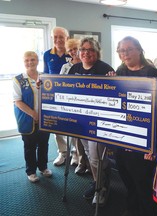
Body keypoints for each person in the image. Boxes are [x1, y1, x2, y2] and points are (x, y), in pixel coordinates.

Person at [110, 36, 157, 216]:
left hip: (143, 136)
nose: (125, 54)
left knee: (142, 179)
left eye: (129, 49)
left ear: (139, 50)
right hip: (122, 133)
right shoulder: (120, 70)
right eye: (121, 50)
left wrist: (154, 141)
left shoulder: (152, 73)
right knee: (124, 172)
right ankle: (132, 206)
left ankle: (146, 211)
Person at [68, 37, 114, 206]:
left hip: (98, 122)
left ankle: (101, 187)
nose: (86, 53)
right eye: (83, 49)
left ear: (96, 52)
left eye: (90, 50)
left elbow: (114, 94)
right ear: (79, 52)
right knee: (88, 153)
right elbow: (66, 89)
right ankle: (98, 182)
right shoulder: (74, 68)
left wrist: (114, 81)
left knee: (96, 158)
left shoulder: (105, 68)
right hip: (81, 120)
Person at [13, 51, 52, 183]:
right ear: (23, 62)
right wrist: (34, 114)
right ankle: (31, 171)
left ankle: (43, 167)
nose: (30, 62)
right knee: (29, 146)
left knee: (43, 144)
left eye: (33, 59)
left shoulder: (46, 77)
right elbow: (17, 101)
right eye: (27, 60)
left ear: (37, 61)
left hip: (45, 118)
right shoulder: (18, 79)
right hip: (27, 119)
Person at [59, 38, 91, 175]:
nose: (73, 52)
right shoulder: (66, 67)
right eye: (70, 50)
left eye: (75, 49)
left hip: (87, 105)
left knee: (87, 136)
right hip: (72, 104)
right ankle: (80, 161)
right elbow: (60, 84)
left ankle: (90, 163)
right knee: (77, 136)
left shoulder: (88, 64)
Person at [43, 26, 72, 166]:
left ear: (67, 38)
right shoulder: (47, 54)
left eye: (61, 37)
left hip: (72, 95)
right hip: (54, 95)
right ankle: (63, 152)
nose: (58, 39)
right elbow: (45, 73)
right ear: (52, 38)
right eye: (55, 37)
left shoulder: (73, 53)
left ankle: (77, 154)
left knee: (74, 123)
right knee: (57, 124)